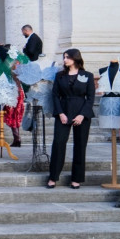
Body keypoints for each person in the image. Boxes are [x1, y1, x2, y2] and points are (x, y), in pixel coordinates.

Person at [47, 48, 95, 190]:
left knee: (80, 146)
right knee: (58, 143)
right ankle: (53, 177)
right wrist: (60, 113)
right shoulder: (60, 76)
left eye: (67, 57)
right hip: (64, 111)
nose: (65, 60)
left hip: (82, 113)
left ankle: (76, 179)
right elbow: (55, 95)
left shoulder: (87, 75)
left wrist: (82, 115)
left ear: (75, 58)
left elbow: (90, 97)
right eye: (64, 57)